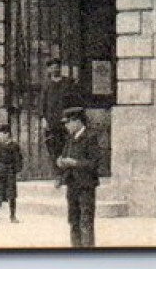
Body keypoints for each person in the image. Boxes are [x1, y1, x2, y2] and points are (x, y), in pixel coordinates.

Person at [56, 106, 100, 249]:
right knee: (73, 221)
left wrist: (75, 163)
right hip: (72, 185)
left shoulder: (90, 137)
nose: (66, 126)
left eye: (68, 122)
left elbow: (94, 163)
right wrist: (61, 165)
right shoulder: (70, 139)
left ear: (77, 121)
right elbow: (65, 157)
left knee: (85, 222)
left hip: (86, 186)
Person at [39, 59, 84, 166]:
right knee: (53, 146)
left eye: (57, 67)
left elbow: (74, 99)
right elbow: (42, 102)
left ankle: (67, 171)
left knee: (68, 144)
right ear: (49, 69)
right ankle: (58, 171)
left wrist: (72, 117)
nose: (55, 69)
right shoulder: (46, 84)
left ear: (60, 68)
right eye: (52, 67)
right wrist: (43, 118)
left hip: (66, 120)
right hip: (51, 121)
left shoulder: (67, 82)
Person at [0, 122, 24, 224]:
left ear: (7, 134)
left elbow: (18, 160)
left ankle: (13, 216)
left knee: (11, 195)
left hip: (9, 172)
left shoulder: (14, 146)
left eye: (0, 134)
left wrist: (15, 170)